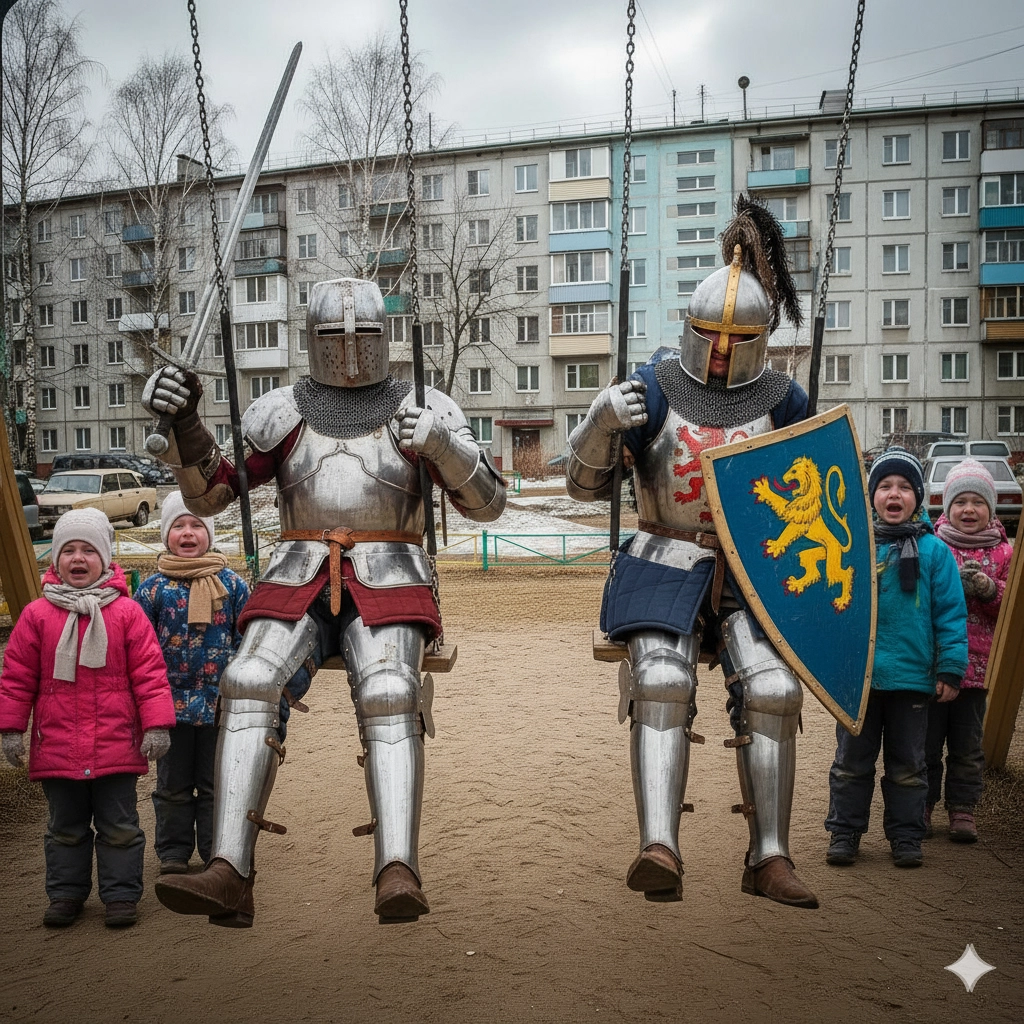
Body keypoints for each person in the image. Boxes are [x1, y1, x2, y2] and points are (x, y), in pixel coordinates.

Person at [139, 277, 506, 927]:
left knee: (390, 690)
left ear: (385, 335)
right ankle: (230, 870)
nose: (350, 347)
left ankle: (397, 867)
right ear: (312, 338)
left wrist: (444, 446)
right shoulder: (283, 411)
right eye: (334, 334)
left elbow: (488, 504)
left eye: (364, 334)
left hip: (392, 574)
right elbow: (215, 494)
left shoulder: (426, 407)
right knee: (246, 679)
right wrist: (187, 425)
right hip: (297, 573)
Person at [567, 196, 819, 907]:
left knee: (775, 690)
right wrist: (599, 422)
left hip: (754, 569)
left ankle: (769, 856)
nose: (719, 351)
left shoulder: (785, 400)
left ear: (759, 339)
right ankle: (659, 846)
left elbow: (815, 495)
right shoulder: (653, 386)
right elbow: (584, 485)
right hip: (661, 556)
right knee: (662, 680)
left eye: (735, 338)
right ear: (689, 328)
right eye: (708, 334)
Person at [0, 508, 174, 928]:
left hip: (116, 745)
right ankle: (65, 895)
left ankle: (120, 896)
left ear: (106, 559)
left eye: (88, 550)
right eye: (69, 550)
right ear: (55, 559)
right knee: (65, 828)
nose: (78, 558)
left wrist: (156, 725)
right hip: (58, 745)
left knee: (119, 827)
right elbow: (17, 677)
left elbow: (150, 675)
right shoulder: (36, 616)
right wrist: (10, 729)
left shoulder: (128, 613)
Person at [825, 448, 968, 868]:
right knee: (851, 763)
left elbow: (951, 614)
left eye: (905, 487)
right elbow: (833, 608)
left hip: (912, 678)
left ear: (918, 498)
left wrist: (951, 669)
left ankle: (906, 836)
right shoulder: (852, 546)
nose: (894, 493)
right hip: (860, 680)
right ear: (871, 496)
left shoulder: (935, 552)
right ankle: (845, 832)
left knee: (908, 764)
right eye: (885, 485)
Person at [134, 491, 249, 873]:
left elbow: (246, 640)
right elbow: (139, 650)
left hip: (220, 706)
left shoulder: (232, 585)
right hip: (169, 710)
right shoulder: (152, 590)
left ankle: (218, 849)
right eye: (178, 525)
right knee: (172, 786)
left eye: (196, 525)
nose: (187, 533)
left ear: (209, 533)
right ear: (166, 534)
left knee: (216, 783)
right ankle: (173, 853)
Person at [927, 459, 1012, 842]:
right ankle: (921, 806)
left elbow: (1012, 606)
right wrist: (950, 588)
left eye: (978, 502)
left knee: (967, 746)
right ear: (948, 507)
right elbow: (921, 598)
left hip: (978, 670)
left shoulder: (1004, 553)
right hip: (935, 666)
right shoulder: (934, 547)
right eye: (960, 502)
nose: (969, 510)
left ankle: (962, 809)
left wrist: (990, 589)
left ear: (990, 509)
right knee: (925, 745)